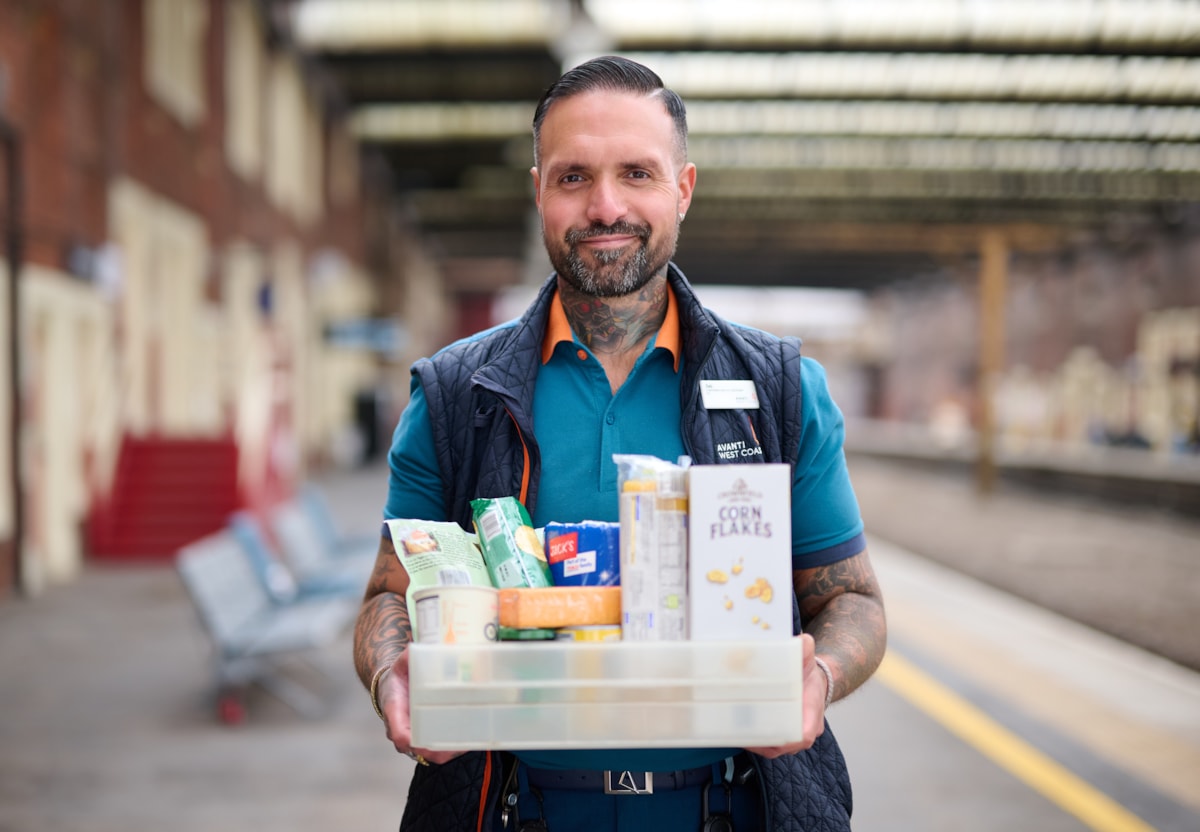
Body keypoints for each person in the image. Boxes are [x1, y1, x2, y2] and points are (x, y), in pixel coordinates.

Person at [354, 55, 887, 832]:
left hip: (731, 808)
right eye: (573, 178)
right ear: (538, 190)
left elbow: (852, 600)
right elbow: (387, 597)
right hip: (513, 809)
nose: (606, 206)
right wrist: (391, 678)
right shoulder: (452, 395)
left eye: (636, 173)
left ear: (683, 188)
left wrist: (821, 677)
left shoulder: (778, 388)